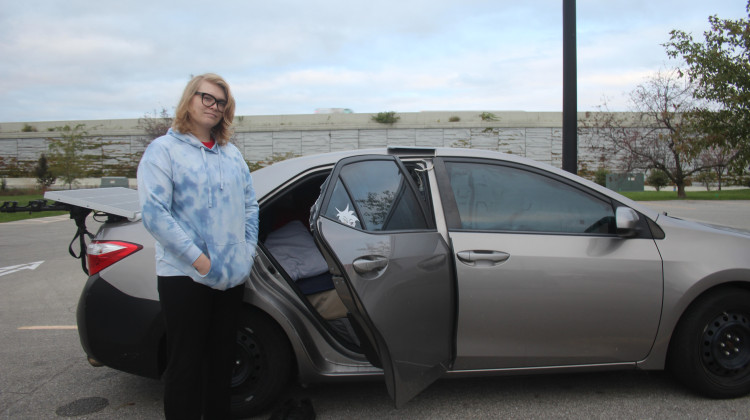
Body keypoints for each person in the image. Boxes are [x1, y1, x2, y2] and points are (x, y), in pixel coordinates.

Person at [137, 73, 259, 419]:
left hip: (230, 277)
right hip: (184, 277)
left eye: (221, 102)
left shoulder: (231, 154)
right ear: (189, 99)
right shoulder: (164, 150)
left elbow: (251, 206)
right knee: (185, 368)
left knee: (221, 365)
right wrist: (200, 262)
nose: (214, 106)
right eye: (207, 98)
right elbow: (154, 214)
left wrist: (245, 253)